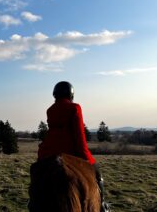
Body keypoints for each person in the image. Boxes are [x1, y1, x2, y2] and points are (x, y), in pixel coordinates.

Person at [35, 81, 110, 212]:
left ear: (55, 95)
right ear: (71, 94)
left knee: (37, 173)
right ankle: (103, 204)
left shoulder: (50, 110)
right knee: (97, 172)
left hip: (49, 151)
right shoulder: (75, 108)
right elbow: (79, 134)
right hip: (71, 151)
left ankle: (33, 202)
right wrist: (87, 157)